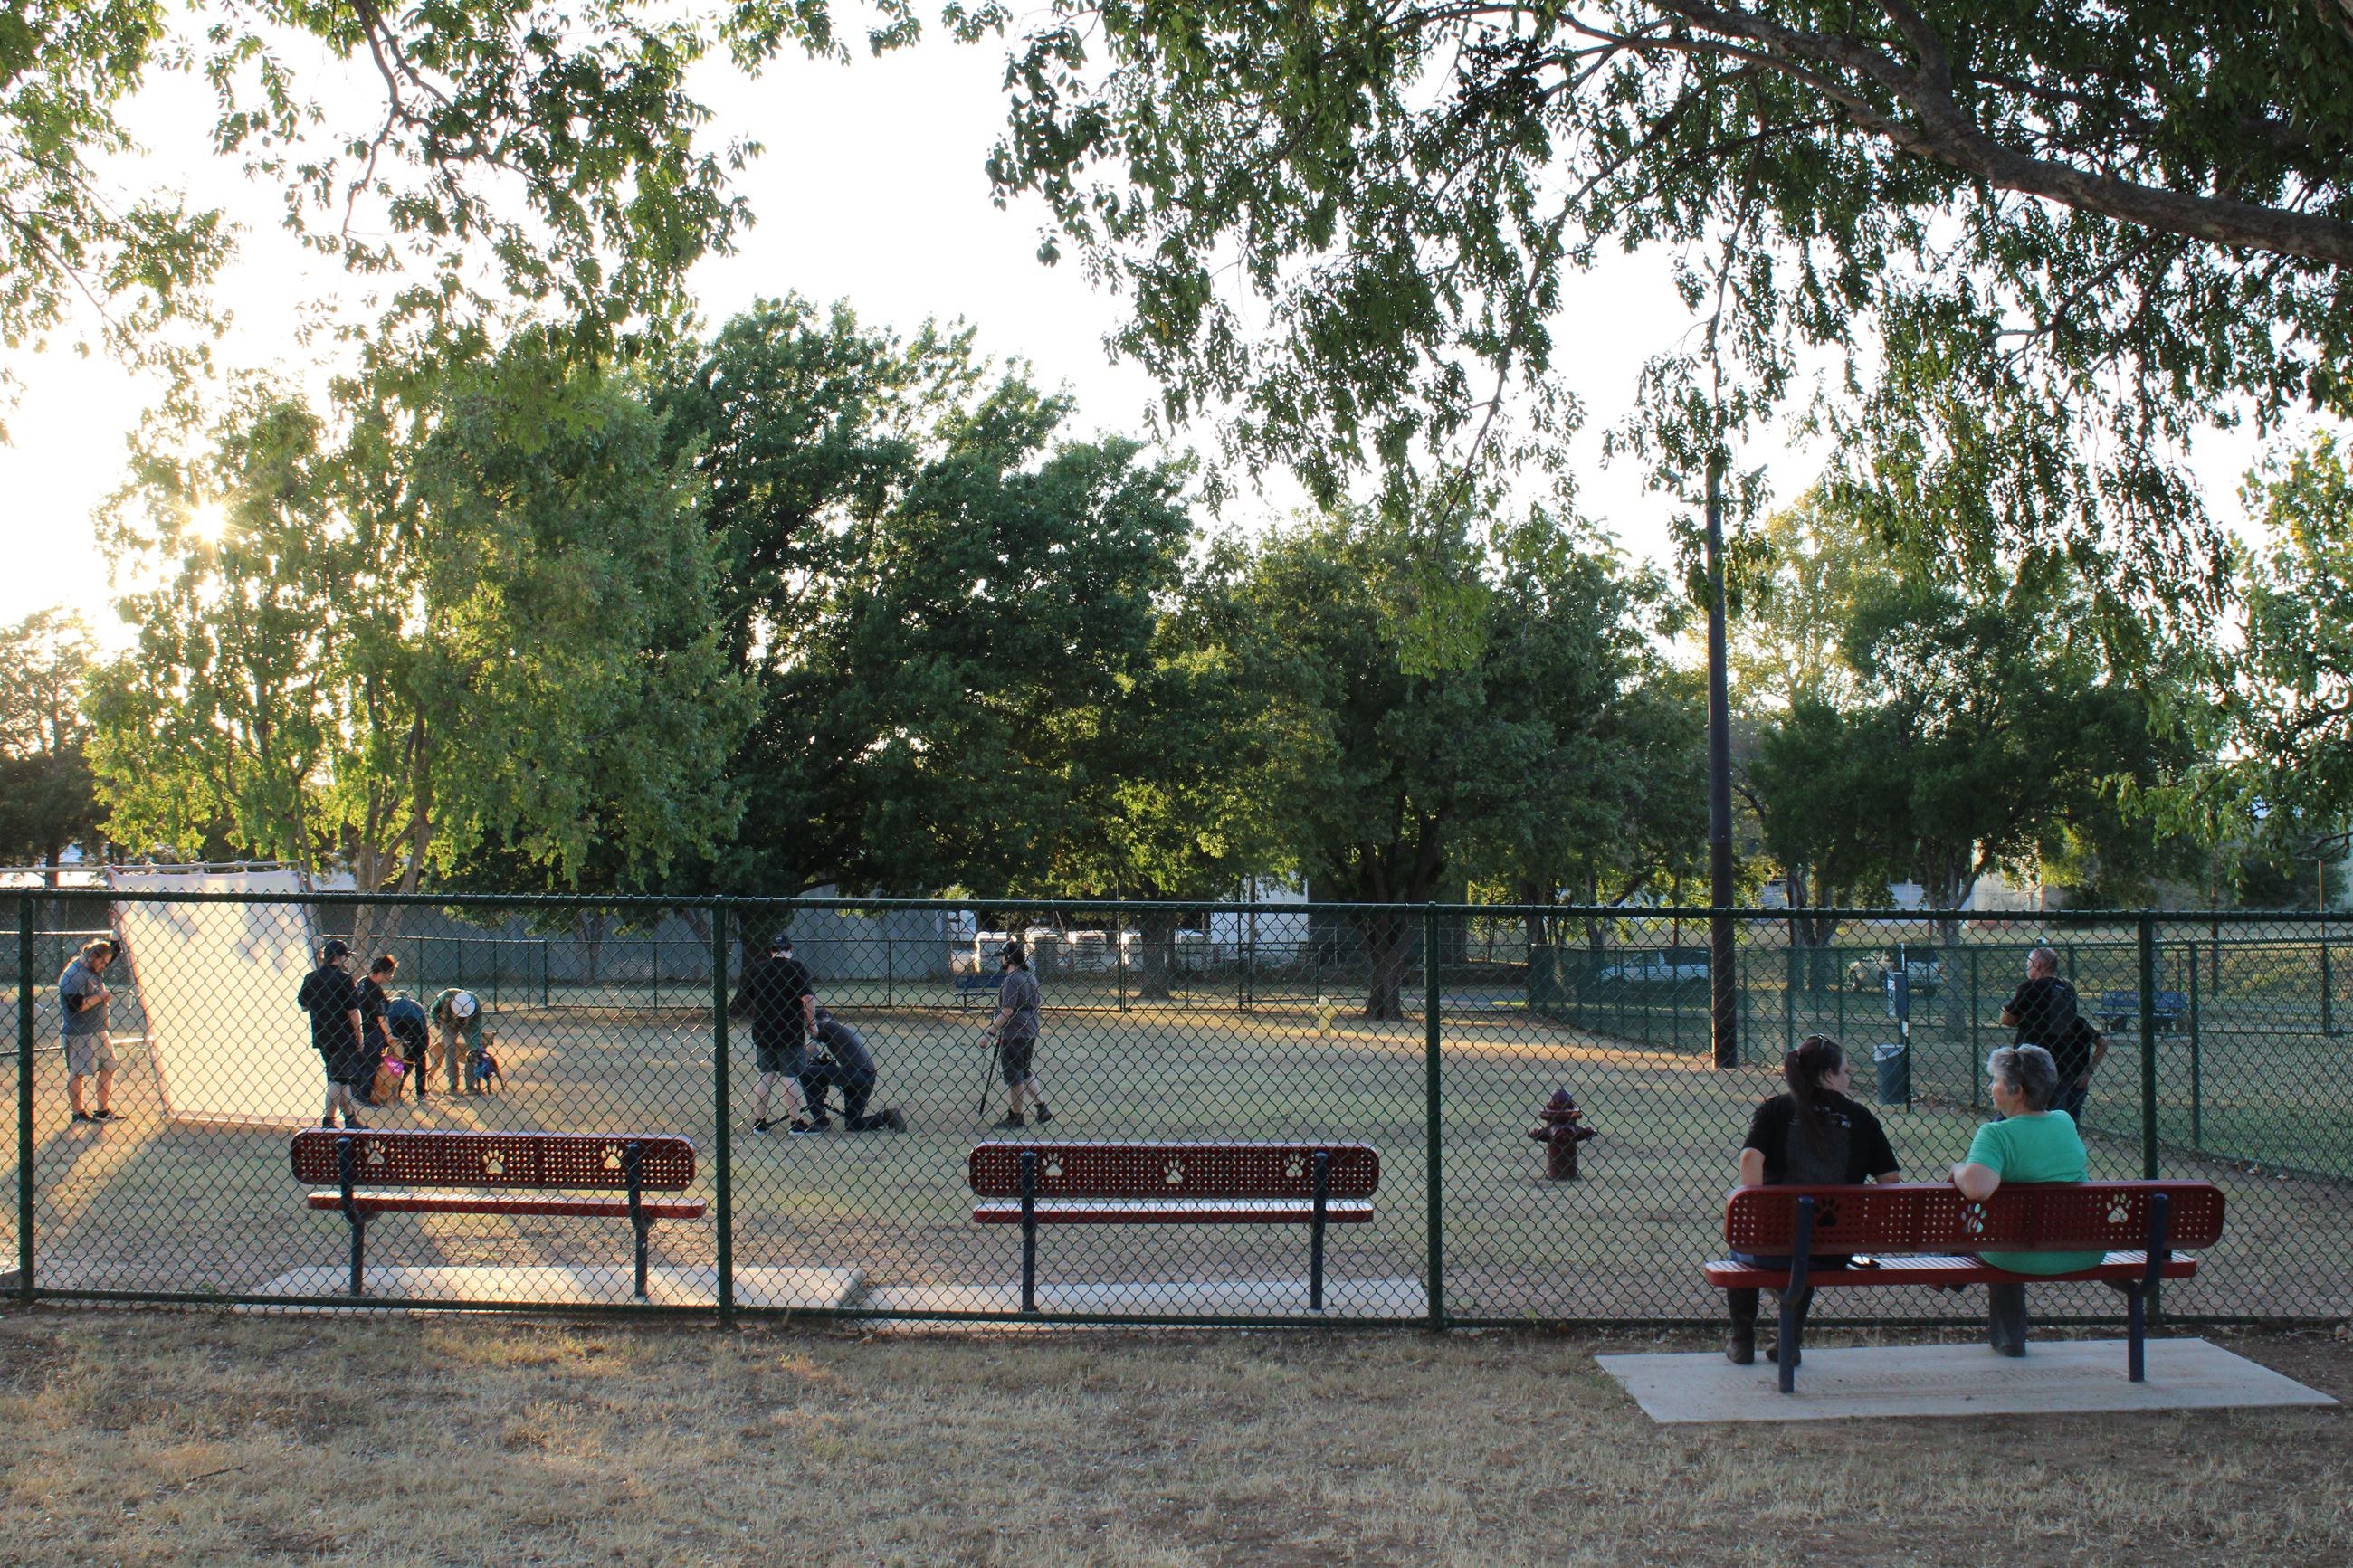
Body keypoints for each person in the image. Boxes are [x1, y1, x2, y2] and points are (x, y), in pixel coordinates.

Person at [1723, 1034, 1902, 1366]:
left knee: (1748, 1246)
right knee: (1813, 1235)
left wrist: (1760, 1212)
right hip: (1833, 1251)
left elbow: (1750, 1159)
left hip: (1771, 1249)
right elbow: (1890, 1182)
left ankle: (1742, 1339)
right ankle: (1789, 1341)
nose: (1850, 1079)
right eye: (1846, 1072)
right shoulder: (1862, 1119)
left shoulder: (1776, 1109)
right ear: (1827, 1074)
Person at [1949, 1043, 2103, 1356]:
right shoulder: (2065, 1123)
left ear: (2016, 1090)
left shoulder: (1995, 1135)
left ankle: (2006, 1336)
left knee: (1998, 1233)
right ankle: (2004, 1335)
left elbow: (1978, 1188)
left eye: (1995, 1081)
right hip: (2079, 1250)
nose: (1992, 1088)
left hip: (2015, 1254)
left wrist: (1957, 1170)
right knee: (2006, 1229)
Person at [729, 932, 818, 1134]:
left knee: (765, 1074)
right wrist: (813, 1024)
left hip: (763, 1030)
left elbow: (749, 995)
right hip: (789, 1031)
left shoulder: (758, 969)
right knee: (790, 1074)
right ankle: (796, 1122)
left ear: (771, 951)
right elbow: (808, 998)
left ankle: (760, 1122)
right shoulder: (796, 968)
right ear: (791, 950)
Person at [298, 938, 370, 1129]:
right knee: (337, 1080)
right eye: (345, 956)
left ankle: (350, 1118)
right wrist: (359, 1036)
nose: (346, 960)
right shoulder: (345, 979)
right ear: (339, 957)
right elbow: (353, 1011)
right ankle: (328, 1121)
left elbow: (303, 1005)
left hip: (322, 1034)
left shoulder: (311, 978)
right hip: (343, 1036)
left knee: (341, 1078)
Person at [982, 940, 1052, 1130]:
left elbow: (1007, 1011)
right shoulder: (1029, 976)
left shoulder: (1012, 979)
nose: (1000, 961)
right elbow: (1036, 1003)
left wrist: (990, 1032)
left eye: (1002, 957)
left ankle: (1016, 1116)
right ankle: (1041, 1107)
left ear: (1008, 959)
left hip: (1015, 1033)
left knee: (1014, 1075)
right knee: (1025, 1069)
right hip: (1030, 1030)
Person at [804, 1007, 905, 1133]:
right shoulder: (842, 1028)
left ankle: (821, 1122)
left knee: (805, 1073)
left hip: (853, 1073)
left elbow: (809, 1049)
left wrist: (800, 1063)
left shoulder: (825, 1025)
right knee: (853, 1124)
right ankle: (886, 1117)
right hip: (867, 1076)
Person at [58, 937, 121, 1124]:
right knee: (78, 1072)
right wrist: (100, 997)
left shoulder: (93, 967)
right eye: (103, 962)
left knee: (110, 1066)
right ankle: (78, 1114)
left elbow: (114, 948)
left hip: (98, 1030)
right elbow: (74, 1006)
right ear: (93, 956)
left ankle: (102, 1110)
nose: (105, 966)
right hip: (80, 1032)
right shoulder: (74, 975)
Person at [1998, 945, 2079, 1052]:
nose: (2027, 969)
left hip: (2031, 1054)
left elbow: (2007, 1019)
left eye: (2028, 966)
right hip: (2062, 1053)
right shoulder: (2067, 989)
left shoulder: (2031, 987)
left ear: (2037, 965)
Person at [354, 955, 400, 1105]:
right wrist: (389, 1036)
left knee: (361, 1063)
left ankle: (357, 1094)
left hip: (359, 1029)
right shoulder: (375, 991)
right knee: (371, 1064)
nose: (390, 978)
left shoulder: (362, 982)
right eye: (390, 974)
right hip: (372, 1031)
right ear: (383, 973)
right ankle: (364, 1096)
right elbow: (381, 1017)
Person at [2047, 1013, 2109, 1126]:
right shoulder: (2045, 1022)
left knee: (2070, 1122)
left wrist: (2088, 1072)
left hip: (2076, 1080)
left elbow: (2103, 1043)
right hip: (2055, 1080)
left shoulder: (2078, 1022)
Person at [428, 988, 490, 1096]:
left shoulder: (475, 1004)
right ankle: (453, 1085)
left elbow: (476, 1030)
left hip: (468, 1023)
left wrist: (474, 1047)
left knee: (472, 1051)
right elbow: (433, 1010)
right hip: (447, 1021)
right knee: (450, 1048)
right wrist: (435, 1021)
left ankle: (471, 1085)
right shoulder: (445, 996)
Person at [386, 991, 433, 1104]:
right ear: (409, 998)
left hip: (393, 1022)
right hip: (414, 1023)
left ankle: (394, 1092)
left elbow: (383, 1020)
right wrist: (422, 1048)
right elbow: (424, 1028)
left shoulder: (390, 1002)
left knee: (394, 1058)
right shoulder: (416, 1004)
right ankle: (421, 1094)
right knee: (420, 1060)